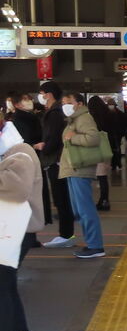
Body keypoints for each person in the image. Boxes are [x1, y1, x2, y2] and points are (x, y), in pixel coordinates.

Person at [0, 108, 42, 331]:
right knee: (7, 284)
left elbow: (16, 189)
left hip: (16, 228)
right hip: (9, 227)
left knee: (2, 284)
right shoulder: (9, 151)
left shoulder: (21, 152)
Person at [59, 92, 105, 260]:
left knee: (85, 209)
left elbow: (93, 138)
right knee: (80, 209)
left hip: (80, 168)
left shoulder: (84, 118)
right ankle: (91, 243)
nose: (65, 106)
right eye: (63, 103)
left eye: (68, 102)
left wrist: (73, 138)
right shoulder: (74, 119)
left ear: (79, 103)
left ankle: (95, 246)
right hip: (74, 168)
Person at [35, 83, 75, 247]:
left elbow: (53, 137)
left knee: (61, 198)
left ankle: (66, 235)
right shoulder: (56, 111)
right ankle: (66, 234)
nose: (40, 96)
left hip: (56, 161)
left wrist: (43, 148)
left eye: (42, 93)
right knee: (62, 197)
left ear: (49, 94)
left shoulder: (54, 113)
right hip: (58, 159)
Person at [87, 96, 113, 210]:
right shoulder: (109, 115)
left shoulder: (91, 118)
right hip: (106, 148)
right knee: (103, 176)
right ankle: (104, 200)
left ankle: (100, 201)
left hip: (95, 149)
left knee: (91, 176)